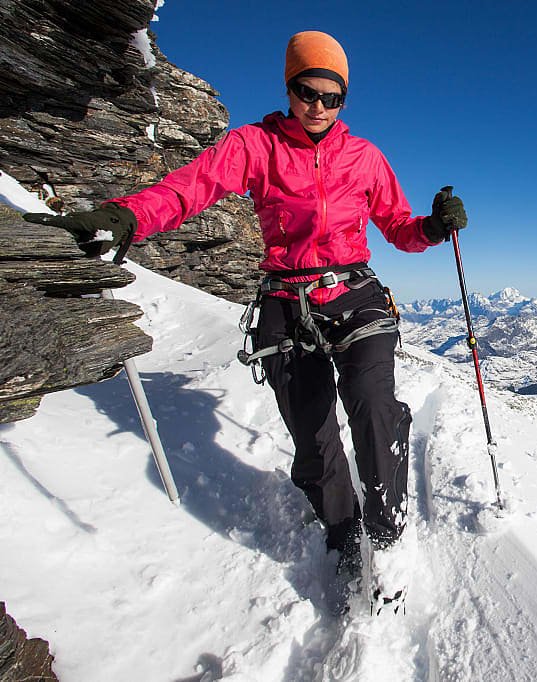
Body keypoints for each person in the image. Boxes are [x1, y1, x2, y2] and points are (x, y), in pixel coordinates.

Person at [24, 30, 466, 613]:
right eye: (307, 91)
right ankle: (343, 531)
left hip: (353, 292)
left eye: (332, 97)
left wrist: (432, 229)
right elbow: (190, 189)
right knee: (312, 434)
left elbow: (398, 227)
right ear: (289, 88)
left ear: (344, 101)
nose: (318, 106)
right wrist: (126, 216)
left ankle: (386, 531)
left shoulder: (366, 159)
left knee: (371, 399)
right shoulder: (253, 146)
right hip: (287, 297)